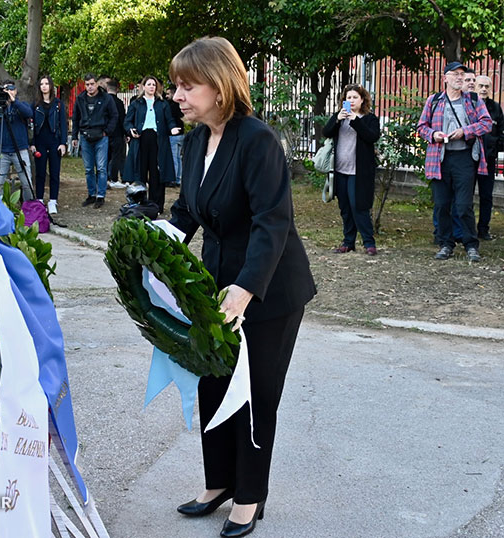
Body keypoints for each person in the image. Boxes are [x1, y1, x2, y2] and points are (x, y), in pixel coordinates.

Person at [167, 37, 315, 538]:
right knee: (213, 385)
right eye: (176, 86)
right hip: (216, 287)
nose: (178, 95)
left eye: (189, 86)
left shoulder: (257, 140)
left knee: (253, 395)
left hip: (269, 290)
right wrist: (154, 249)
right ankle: (219, 482)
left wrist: (246, 289)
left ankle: (250, 497)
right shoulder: (193, 140)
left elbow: (272, 223)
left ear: (221, 84)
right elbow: (188, 211)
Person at [417, 61, 492, 262]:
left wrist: (465, 131)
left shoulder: (474, 100)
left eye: (462, 74)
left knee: (464, 204)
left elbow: (486, 124)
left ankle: (471, 245)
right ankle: (445, 244)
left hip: (464, 158)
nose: (460, 77)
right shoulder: (434, 101)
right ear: (445, 78)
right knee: (441, 204)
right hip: (440, 158)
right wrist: (434, 135)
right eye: (455, 74)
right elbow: (421, 127)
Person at [322, 84, 381, 255]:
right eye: (349, 98)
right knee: (345, 207)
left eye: (355, 97)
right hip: (341, 169)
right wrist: (338, 119)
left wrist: (355, 120)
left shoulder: (369, 119)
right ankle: (348, 242)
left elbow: (372, 136)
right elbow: (326, 132)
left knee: (359, 206)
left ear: (362, 100)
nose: (352, 100)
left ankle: (369, 242)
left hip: (359, 172)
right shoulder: (339, 118)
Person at [124, 76, 182, 213]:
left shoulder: (162, 104)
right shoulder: (136, 103)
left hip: (158, 141)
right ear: (143, 87)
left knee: (157, 173)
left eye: (154, 85)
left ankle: (156, 205)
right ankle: (139, 203)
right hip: (141, 140)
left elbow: (169, 120)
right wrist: (130, 130)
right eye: (149, 84)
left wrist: (172, 128)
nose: (151, 87)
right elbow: (127, 121)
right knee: (140, 172)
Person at [0, 79, 34, 200]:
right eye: (5, 89)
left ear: (15, 91)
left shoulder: (21, 104)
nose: (8, 92)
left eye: (10, 89)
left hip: (20, 149)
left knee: (26, 183)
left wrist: (13, 101)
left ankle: (29, 209)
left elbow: (29, 113)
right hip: (2, 150)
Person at [71, 73, 118, 208]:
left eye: (92, 84)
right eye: (87, 85)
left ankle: (100, 196)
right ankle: (91, 194)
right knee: (88, 168)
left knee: (102, 168)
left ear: (97, 84)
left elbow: (114, 116)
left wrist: (107, 131)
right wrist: (74, 136)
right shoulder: (80, 99)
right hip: (86, 136)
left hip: (101, 136)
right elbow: (75, 118)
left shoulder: (106, 98)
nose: (90, 87)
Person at [31, 75, 67, 214]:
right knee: (40, 173)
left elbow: (63, 125)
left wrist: (63, 143)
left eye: (47, 83)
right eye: (42, 84)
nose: (44, 86)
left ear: (51, 86)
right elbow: (31, 126)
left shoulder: (58, 104)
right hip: (40, 142)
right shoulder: (35, 104)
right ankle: (39, 199)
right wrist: (32, 143)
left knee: (54, 173)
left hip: (54, 141)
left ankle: (53, 201)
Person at [474, 75, 503, 240]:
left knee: (486, 196)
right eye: (481, 86)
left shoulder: (496, 108)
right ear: (475, 87)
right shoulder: (469, 105)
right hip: (470, 159)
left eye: (487, 86)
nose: (484, 89)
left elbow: (501, 133)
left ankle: (483, 230)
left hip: (489, 159)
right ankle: (465, 230)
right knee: (465, 195)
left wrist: (494, 148)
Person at [105, 78, 128, 188]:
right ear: (117, 89)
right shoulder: (119, 102)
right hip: (117, 133)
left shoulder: (103, 101)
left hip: (105, 134)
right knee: (116, 157)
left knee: (105, 157)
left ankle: (105, 178)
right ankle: (113, 178)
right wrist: (126, 133)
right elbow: (122, 118)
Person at [165, 84, 185, 186]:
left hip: (173, 134)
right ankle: (178, 178)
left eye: (168, 93)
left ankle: (173, 179)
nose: (166, 95)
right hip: (181, 133)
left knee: (174, 157)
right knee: (178, 157)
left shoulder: (171, 106)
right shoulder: (180, 105)